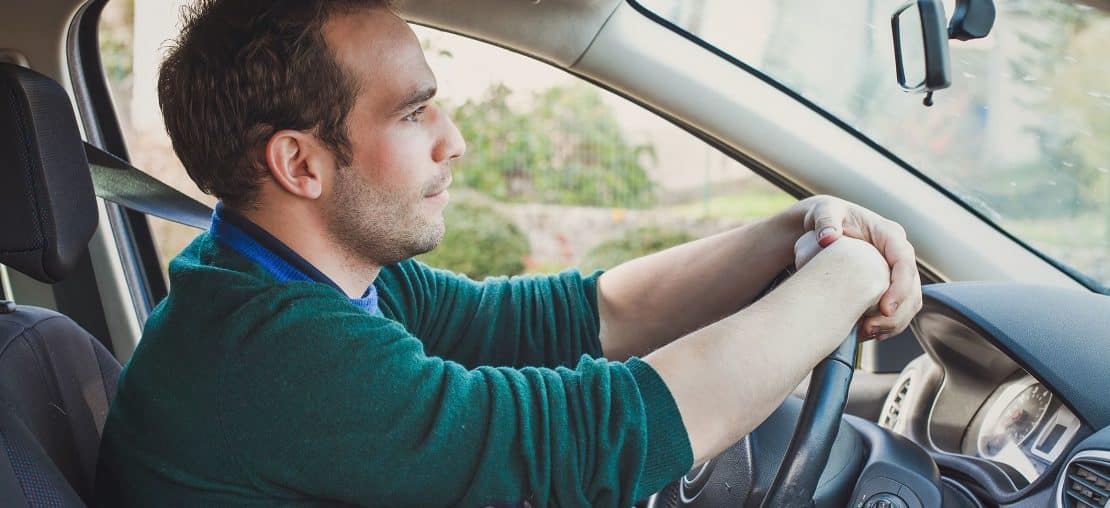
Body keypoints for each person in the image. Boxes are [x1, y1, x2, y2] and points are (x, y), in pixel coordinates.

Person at [95, 1, 922, 506]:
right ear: (299, 164)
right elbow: (598, 440)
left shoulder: (304, 280)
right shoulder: (273, 353)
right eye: (414, 113)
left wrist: (796, 227)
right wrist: (849, 273)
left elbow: (576, 316)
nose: (453, 140)